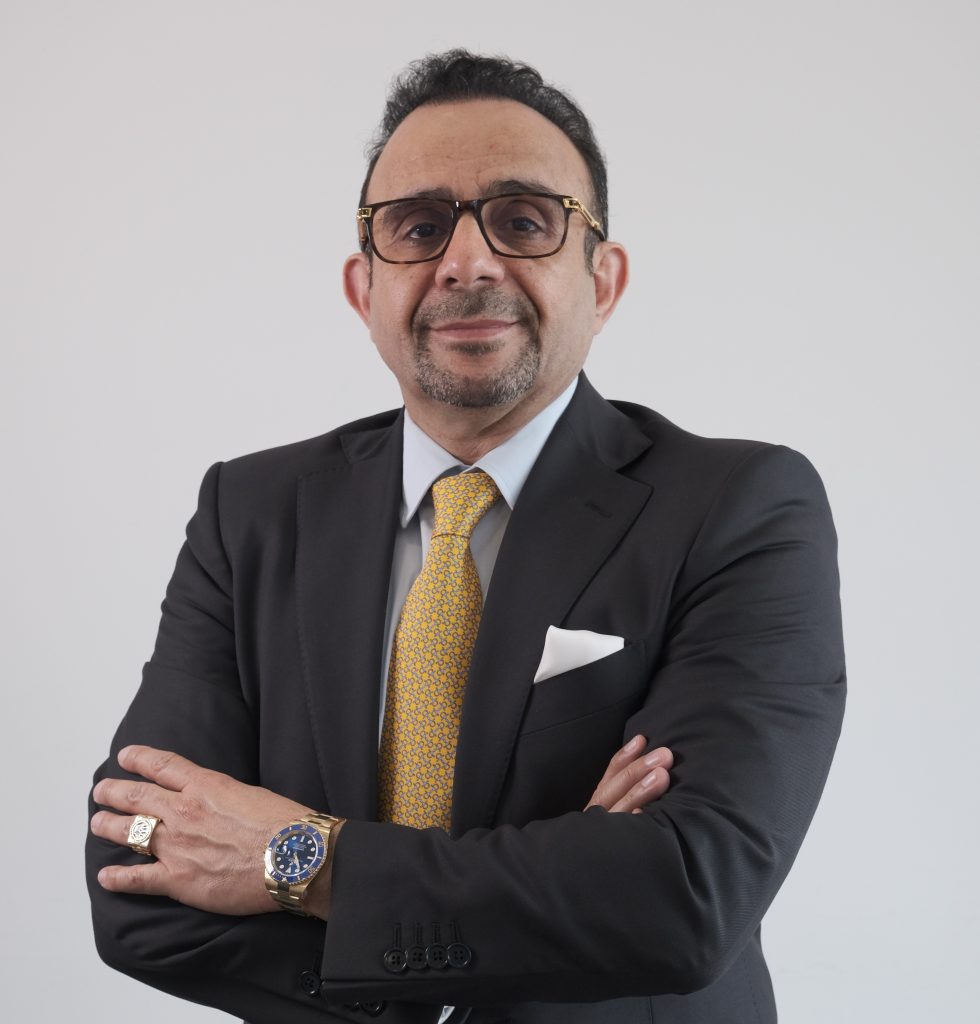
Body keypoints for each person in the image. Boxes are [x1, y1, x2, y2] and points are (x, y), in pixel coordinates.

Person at [86, 50, 846, 1024]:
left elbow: (683, 896)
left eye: (523, 221)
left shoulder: (741, 508)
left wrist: (295, 858)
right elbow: (137, 880)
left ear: (602, 280)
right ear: (363, 288)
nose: (468, 262)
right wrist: (560, 886)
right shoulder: (251, 512)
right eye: (418, 226)